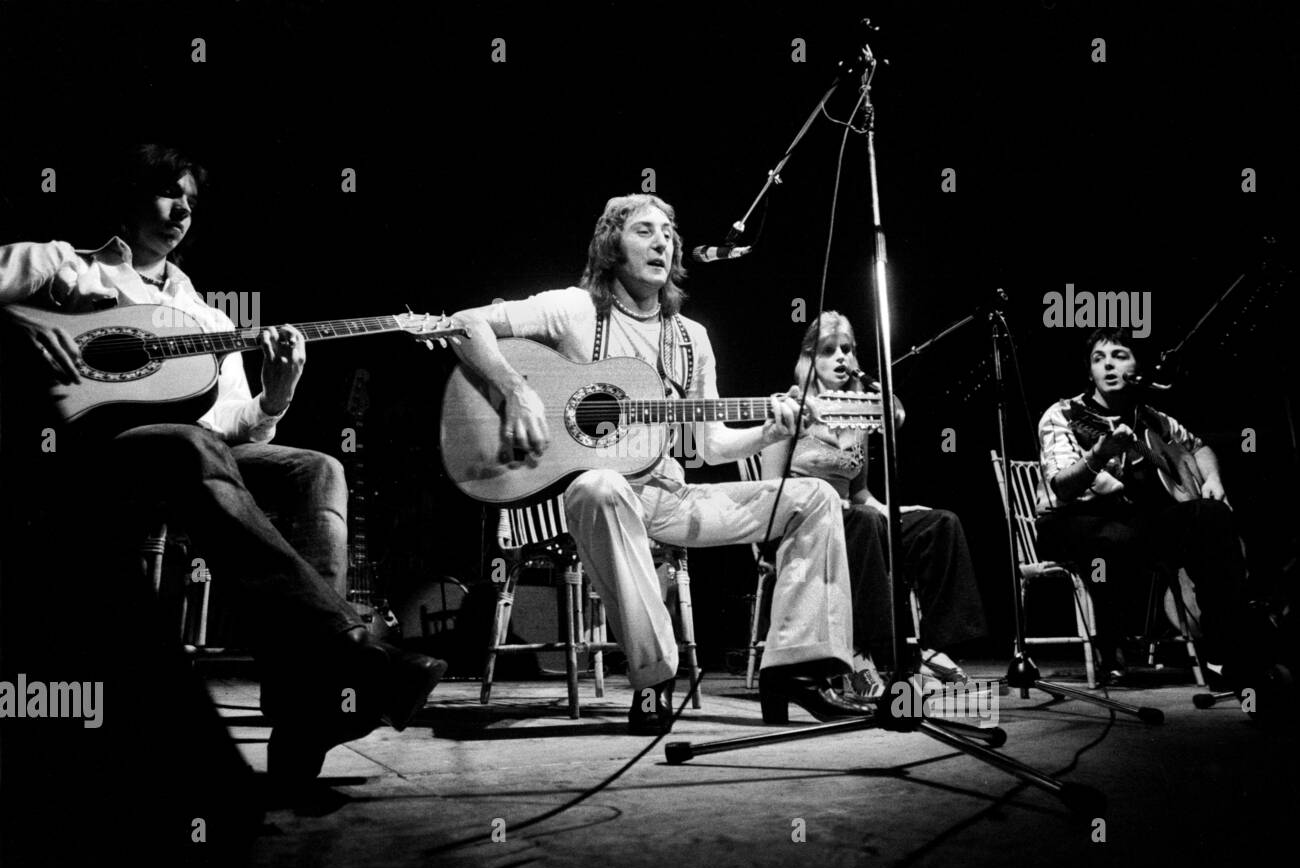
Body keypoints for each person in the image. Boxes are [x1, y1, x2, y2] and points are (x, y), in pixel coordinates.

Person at [0, 144, 445, 783]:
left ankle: (307, 709)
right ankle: (347, 658)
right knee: (191, 445)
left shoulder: (207, 319)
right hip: (82, 457)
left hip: (193, 461)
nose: (181, 209)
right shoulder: (61, 264)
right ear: (128, 198)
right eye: (165, 193)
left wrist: (278, 391)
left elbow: (239, 427)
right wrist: (17, 321)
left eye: (191, 201)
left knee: (316, 468)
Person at [446, 193, 870, 730]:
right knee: (600, 486)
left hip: (670, 497)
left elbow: (712, 445)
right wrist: (514, 390)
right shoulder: (576, 311)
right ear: (611, 246)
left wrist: (768, 429)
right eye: (644, 231)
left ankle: (796, 670)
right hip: (598, 501)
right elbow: (464, 324)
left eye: (668, 232)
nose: (662, 242)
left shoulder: (691, 339)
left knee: (815, 498)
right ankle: (653, 679)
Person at [762, 312, 988, 696]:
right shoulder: (790, 408)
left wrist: (894, 511)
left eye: (846, 350)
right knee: (865, 522)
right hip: (805, 526)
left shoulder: (859, 413)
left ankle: (934, 648)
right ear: (809, 358)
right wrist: (854, 511)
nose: (840, 358)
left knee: (939, 523)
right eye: (828, 350)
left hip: (858, 521)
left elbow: (862, 492)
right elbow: (771, 492)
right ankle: (865, 655)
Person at [1034, 327, 1248, 687]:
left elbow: (1198, 446)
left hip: (1133, 521)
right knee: (1113, 537)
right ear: (1089, 373)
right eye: (1098, 359)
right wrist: (1098, 456)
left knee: (1212, 516)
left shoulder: (1150, 416)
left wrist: (1212, 480)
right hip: (1070, 522)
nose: (1108, 365)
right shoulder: (1064, 413)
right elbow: (1062, 485)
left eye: (1119, 356)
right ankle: (1110, 650)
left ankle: (1227, 653)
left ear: (1136, 366)